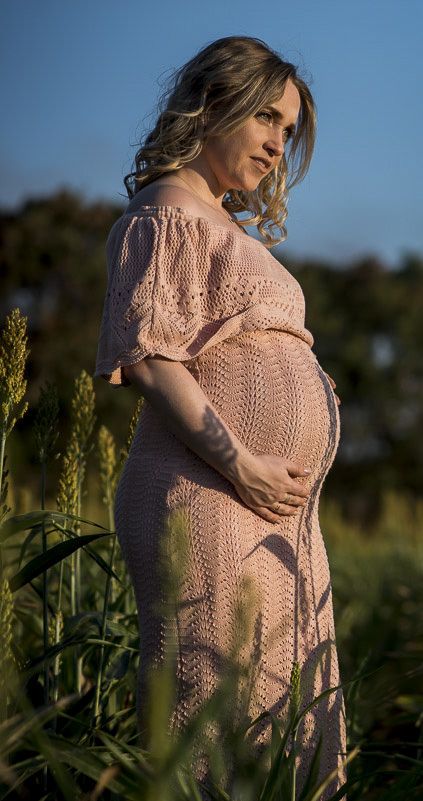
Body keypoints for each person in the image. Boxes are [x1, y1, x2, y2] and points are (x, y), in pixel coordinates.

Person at [94, 37, 345, 794]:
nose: (277, 143)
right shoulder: (166, 209)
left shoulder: (221, 223)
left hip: (268, 505)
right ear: (210, 104)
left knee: (286, 707)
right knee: (216, 704)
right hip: (209, 492)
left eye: (288, 129)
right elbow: (150, 357)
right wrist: (243, 463)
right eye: (266, 117)